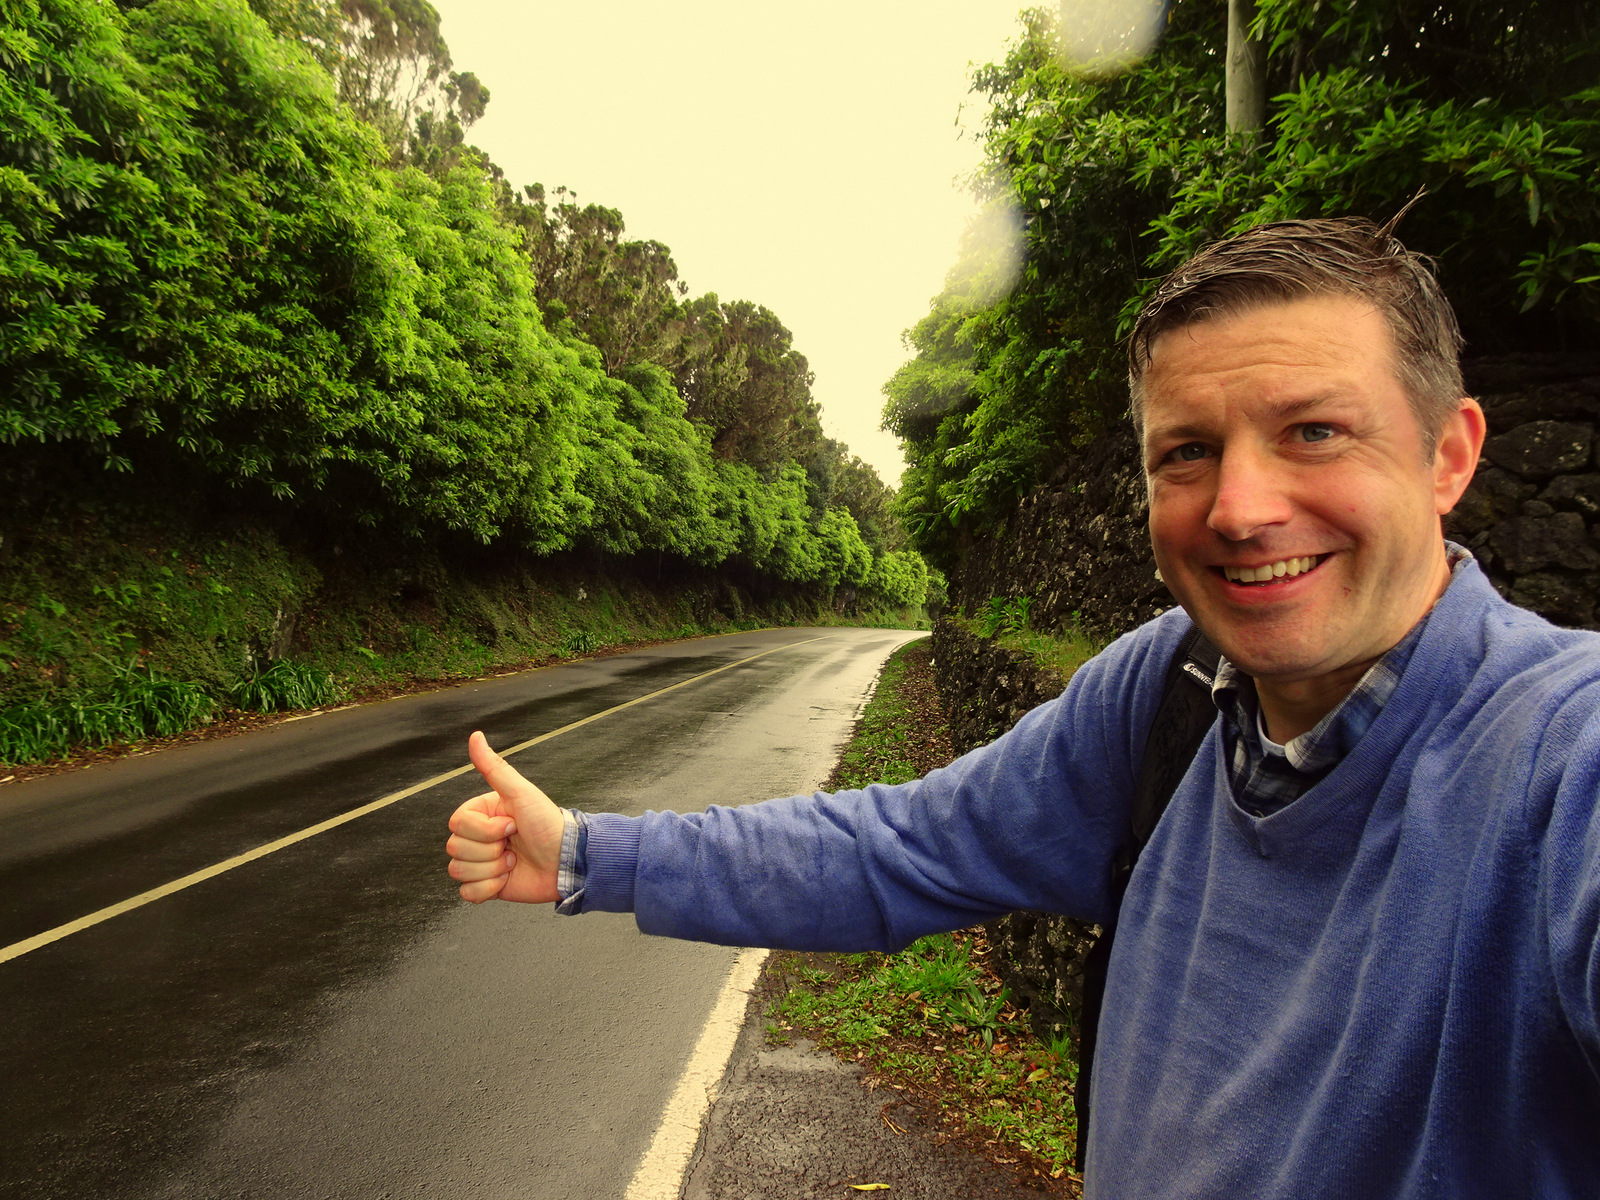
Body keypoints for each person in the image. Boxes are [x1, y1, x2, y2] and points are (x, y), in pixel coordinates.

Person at [444, 218, 1600, 1198]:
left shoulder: (1558, 755)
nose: (1240, 508)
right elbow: (891, 849)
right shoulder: (1174, 690)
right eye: (1187, 452)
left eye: (1314, 431)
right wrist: (589, 855)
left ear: (1448, 455)